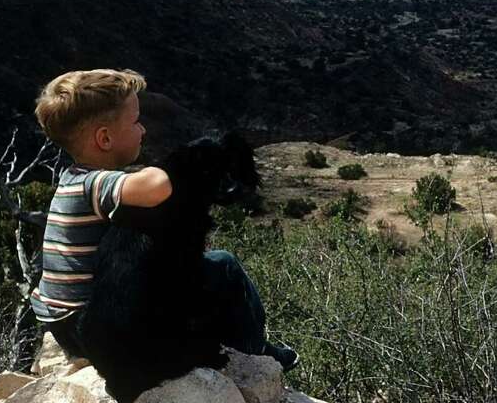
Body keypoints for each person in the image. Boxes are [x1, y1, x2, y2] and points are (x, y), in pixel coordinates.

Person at [30, 68, 297, 371]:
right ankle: (255, 349)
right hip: (95, 326)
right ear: (104, 138)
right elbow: (155, 187)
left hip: (64, 324)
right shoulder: (95, 185)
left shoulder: (72, 179)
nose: (143, 130)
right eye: (135, 121)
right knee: (223, 265)